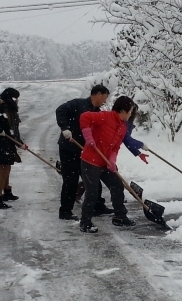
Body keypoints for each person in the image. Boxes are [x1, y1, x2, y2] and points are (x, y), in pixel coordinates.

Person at [78, 95, 136, 233]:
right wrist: (88, 136)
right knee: (92, 193)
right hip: (90, 161)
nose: (131, 114)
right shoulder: (105, 116)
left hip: (105, 162)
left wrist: (112, 160)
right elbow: (84, 117)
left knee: (117, 185)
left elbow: (116, 147)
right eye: (130, 111)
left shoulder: (123, 126)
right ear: (122, 110)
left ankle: (120, 217)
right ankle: (85, 222)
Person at [55, 84, 110, 221]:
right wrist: (65, 127)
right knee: (70, 180)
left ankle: (98, 206)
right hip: (69, 148)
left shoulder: (97, 112)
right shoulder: (77, 104)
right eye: (104, 98)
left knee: (93, 178)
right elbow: (60, 110)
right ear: (97, 94)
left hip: (86, 151)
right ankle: (65, 211)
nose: (105, 101)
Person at [0, 87, 23, 209]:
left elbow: (13, 130)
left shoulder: (10, 109)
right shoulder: (2, 107)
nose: (17, 100)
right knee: (3, 170)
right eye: (16, 98)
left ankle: (7, 192)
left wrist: (19, 143)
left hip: (7, 143)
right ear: (10, 98)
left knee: (7, 168)